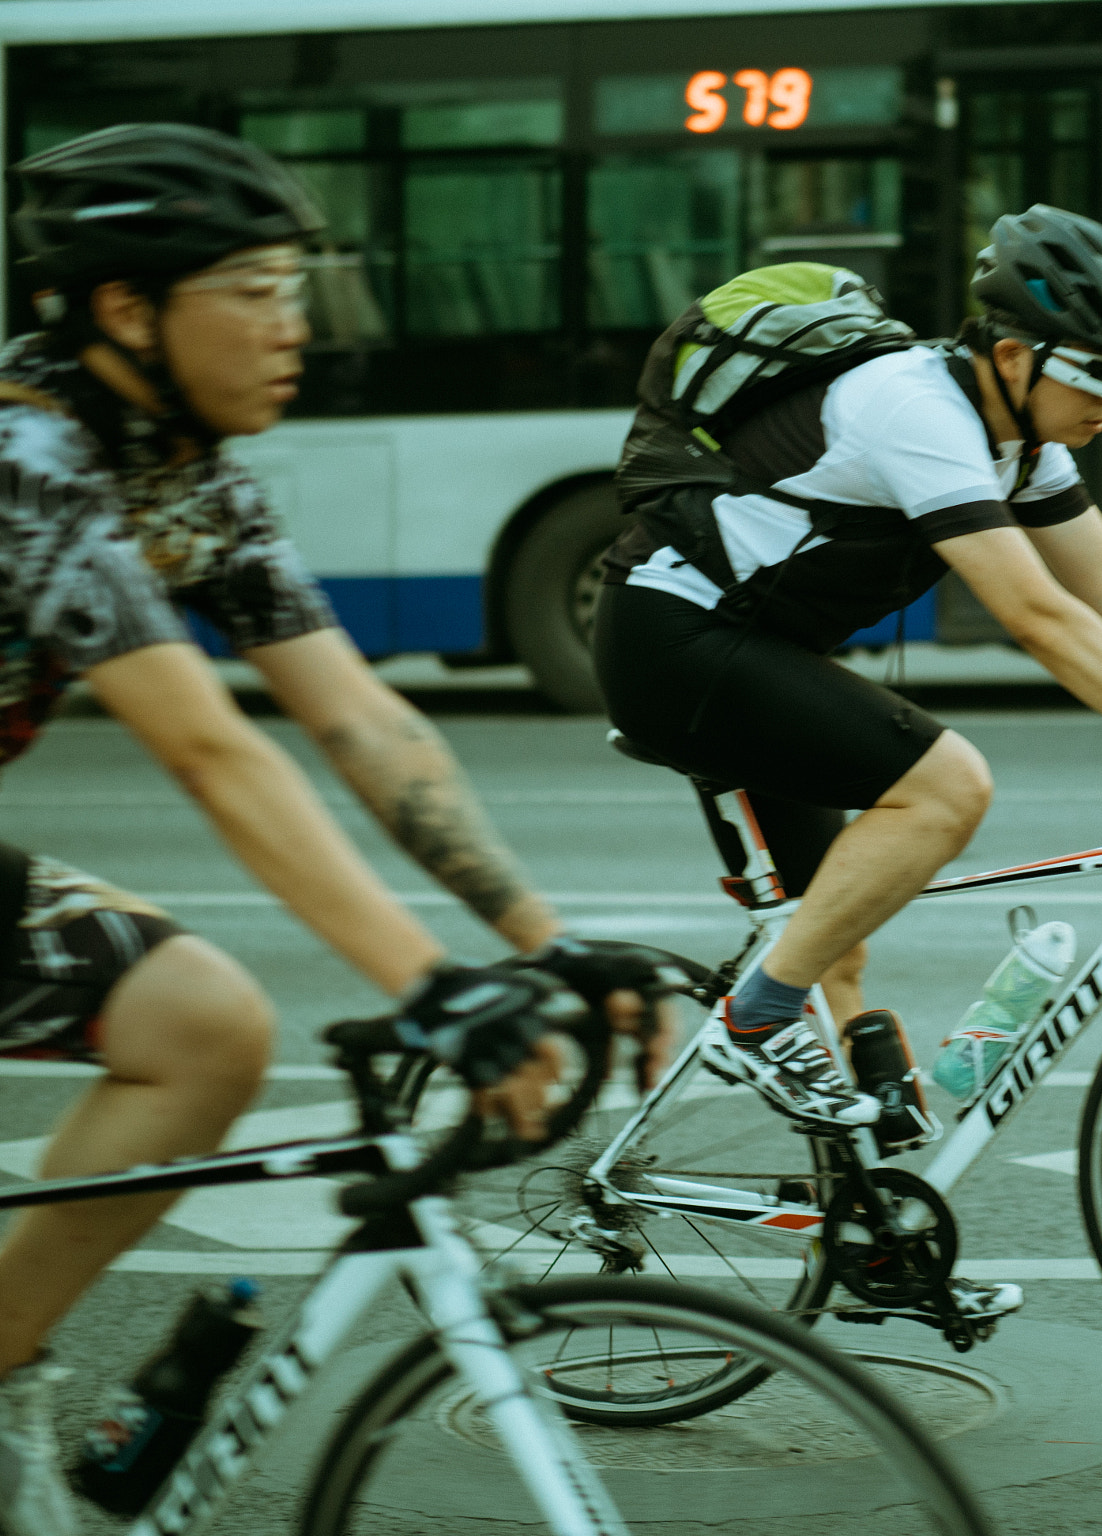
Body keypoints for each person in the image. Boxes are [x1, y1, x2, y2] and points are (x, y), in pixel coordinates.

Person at [0, 125, 675, 1536]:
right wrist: (430, 990)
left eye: (299, 284)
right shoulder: (28, 457)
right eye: (252, 287)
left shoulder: (193, 473)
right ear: (127, 308)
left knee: (200, 1028)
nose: (291, 323)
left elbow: (364, 725)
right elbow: (211, 749)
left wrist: (547, 943)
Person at [594, 204, 1102, 1320]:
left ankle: (873, 1245)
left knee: (831, 941)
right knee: (947, 787)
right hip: (675, 638)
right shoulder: (908, 403)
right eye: (1093, 372)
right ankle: (753, 1023)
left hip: (752, 647)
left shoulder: (1018, 437)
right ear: (1009, 353)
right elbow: (1036, 614)